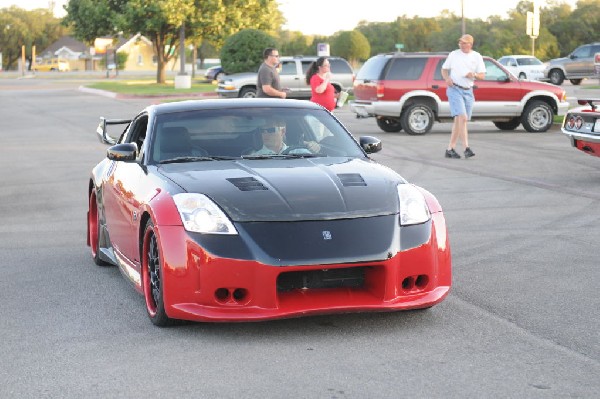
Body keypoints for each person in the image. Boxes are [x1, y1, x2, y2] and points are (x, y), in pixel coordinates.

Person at [441, 34, 486, 159]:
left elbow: (482, 75)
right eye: (460, 42)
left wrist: (474, 75)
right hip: (454, 89)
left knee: (459, 121)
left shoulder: (476, 56)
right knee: (462, 117)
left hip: (468, 91)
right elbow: (444, 69)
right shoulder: (454, 54)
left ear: (470, 44)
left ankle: (450, 149)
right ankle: (466, 148)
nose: (462, 45)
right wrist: (447, 78)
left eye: (464, 43)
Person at [252, 117, 320, 155]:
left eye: (271, 130)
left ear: (282, 131)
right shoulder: (253, 157)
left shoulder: (301, 153)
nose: (265, 134)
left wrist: (316, 147)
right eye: (262, 131)